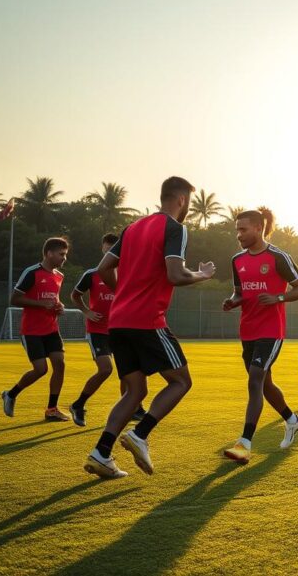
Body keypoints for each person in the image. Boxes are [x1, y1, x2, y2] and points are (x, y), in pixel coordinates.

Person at [83, 176, 215, 479]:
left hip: (118, 322)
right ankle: (140, 434)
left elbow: (103, 269)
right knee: (181, 381)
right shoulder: (175, 228)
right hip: (147, 319)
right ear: (181, 200)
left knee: (135, 390)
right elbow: (175, 275)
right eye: (189, 202)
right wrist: (202, 274)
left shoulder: (132, 228)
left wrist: (123, 293)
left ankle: (101, 453)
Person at [221, 209, 298, 463]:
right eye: (237, 230)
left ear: (259, 228)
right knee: (265, 383)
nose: (238, 235)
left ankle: (245, 442)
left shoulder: (278, 257)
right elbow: (239, 293)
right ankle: (292, 420)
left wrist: (278, 298)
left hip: (271, 331)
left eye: (243, 230)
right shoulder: (237, 260)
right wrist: (232, 302)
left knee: (255, 379)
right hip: (247, 330)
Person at [68, 233, 147, 426]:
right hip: (98, 331)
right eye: (109, 246)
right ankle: (78, 405)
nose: (112, 250)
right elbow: (75, 295)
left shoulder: (127, 274)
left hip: (121, 330)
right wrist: (87, 312)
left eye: (115, 247)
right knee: (105, 369)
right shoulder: (92, 274)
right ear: (103, 248)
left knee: (130, 371)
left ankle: (133, 409)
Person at [2, 237, 70, 421]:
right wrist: (41, 304)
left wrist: (59, 306)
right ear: (49, 253)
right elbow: (14, 299)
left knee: (60, 364)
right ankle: (11, 394)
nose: (64, 258)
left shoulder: (59, 276)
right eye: (61, 254)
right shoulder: (31, 272)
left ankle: (52, 409)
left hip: (51, 328)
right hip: (31, 330)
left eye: (65, 254)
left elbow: (54, 299)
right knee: (41, 369)